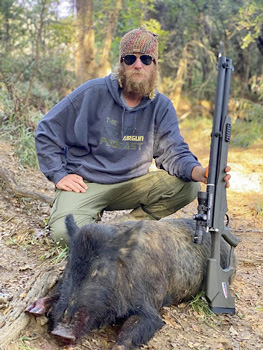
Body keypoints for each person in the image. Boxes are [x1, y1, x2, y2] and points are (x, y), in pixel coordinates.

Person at [35, 27, 231, 246]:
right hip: (87, 182)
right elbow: (47, 130)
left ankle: (123, 227)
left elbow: (173, 151)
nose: (138, 65)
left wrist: (200, 172)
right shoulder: (92, 92)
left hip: (133, 184)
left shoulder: (162, 106)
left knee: (188, 187)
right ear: (121, 63)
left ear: (155, 65)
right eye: (131, 58)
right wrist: (58, 173)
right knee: (66, 235)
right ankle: (95, 223)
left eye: (146, 59)